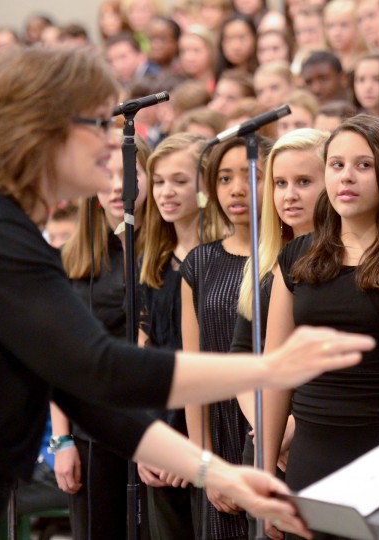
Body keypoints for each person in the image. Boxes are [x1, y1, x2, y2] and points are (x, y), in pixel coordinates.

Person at [0, 43, 374, 539]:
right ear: (45, 128)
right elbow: (103, 369)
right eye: (101, 123)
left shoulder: (5, 228)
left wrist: (218, 471)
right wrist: (268, 369)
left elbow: (92, 398)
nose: (116, 142)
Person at [262, 115, 379, 540]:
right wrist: (265, 476)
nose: (346, 176)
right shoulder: (297, 256)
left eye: (363, 165)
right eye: (336, 164)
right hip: (313, 456)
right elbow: (276, 373)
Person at [230, 128, 328, 537]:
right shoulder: (265, 260)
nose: (289, 195)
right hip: (270, 438)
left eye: (304, 182)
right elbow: (241, 356)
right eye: (280, 184)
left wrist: (294, 426)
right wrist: (271, 426)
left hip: (321, 433)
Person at [52, 133, 150, 540]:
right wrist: (62, 440)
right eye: (105, 175)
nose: (116, 186)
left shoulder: (168, 254)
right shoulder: (73, 261)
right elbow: (59, 357)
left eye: (127, 173)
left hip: (154, 426)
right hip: (92, 431)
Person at [180, 136, 272, 540]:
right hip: (219, 433)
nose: (236, 188)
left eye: (250, 175)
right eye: (224, 178)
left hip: (276, 426)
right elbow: (191, 375)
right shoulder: (199, 263)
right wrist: (206, 466)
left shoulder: (294, 256)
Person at [137, 133, 214, 540]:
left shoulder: (222, 255)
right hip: (161, 426)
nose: (166, 192)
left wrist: (188, 441)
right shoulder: (154, 258)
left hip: (212, 423)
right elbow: (142, 352)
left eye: (179, 181)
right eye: (160, 181)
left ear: (205, 184)